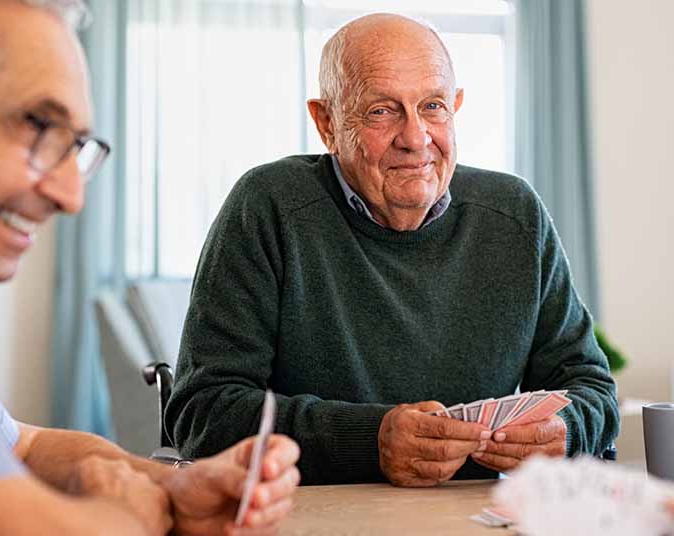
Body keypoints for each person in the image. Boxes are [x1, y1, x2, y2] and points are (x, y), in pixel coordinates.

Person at [0, 1, 300, 535]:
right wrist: (127, 513)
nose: (72, 195)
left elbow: (23, 445)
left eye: (74, 147)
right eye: (39, 127)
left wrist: (173, 485)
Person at [167, 13, 619, 487]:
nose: (415, 138)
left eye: (432, 106)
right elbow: (202, 413)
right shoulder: (269, 206)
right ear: (327, 123)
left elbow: (592, 389)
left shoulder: (515, 213)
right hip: (318, 516)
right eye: (382, 110)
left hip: (477, 517)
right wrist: (369, 440)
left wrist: (566, 431)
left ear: (456, 108)